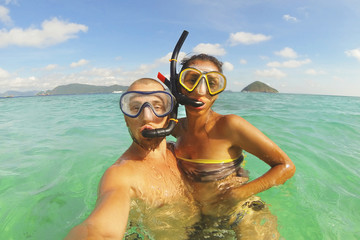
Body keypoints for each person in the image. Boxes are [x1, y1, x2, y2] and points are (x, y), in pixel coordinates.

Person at [171, 54, 296, 239]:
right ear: (179, 85)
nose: (200, 91)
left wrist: (238, 195)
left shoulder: (230, 125)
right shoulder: (175, 128)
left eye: (212, 83)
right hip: (197, 219)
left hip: (240, 213)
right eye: (191, 80)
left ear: (218, 91)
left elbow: (286, 167)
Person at [65, 78, 200, 240]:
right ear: (126, 119)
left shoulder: (181, 153)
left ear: (170, 114)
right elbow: (99, 230)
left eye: (157, 107)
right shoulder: (121, 174)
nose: (147, 117)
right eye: (135, 108)